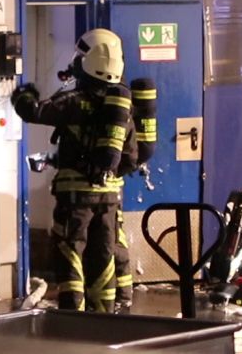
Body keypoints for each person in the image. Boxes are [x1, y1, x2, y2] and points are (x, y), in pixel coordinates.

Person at [12, 29, 133, 313]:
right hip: (110, 197)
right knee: (103, 255)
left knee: (70, 251)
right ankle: (103, 317)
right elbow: (131, 156)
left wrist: (23, 94)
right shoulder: (122, 108)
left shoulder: (74, 100)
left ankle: (71, 316)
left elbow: (33, 111)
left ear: (88, 62)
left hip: (75, 199)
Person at [112, 78, 158, 312]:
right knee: (116, 239)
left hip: (106, 187)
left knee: (111, 240)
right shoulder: (125, 107)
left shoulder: (114, 106)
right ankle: (123, 296)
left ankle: (119, 296)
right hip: (114, 186)